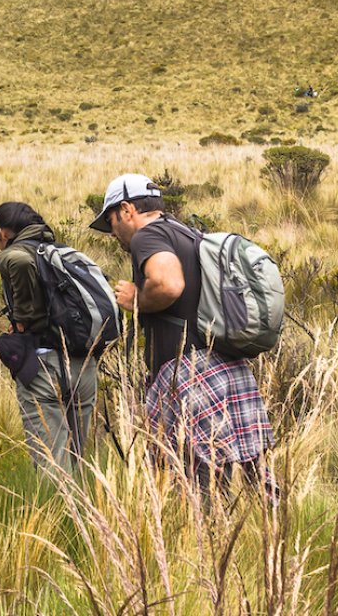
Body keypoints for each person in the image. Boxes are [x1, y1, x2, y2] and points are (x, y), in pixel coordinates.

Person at [90, 173, 274, 495]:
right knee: (251, 469)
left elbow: (169, 284)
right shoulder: (187, 233)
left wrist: (138, 299)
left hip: (188, 372)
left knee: (196, 478)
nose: (113, 233)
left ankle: (204, 541)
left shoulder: (146, 237)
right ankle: (273, 533)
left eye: (111, 221)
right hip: (223, 363)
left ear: (127, 209)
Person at [0, 201, 100, 474]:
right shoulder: (61, 252)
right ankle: (89, 515)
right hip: (82, 363)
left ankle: (57, 516)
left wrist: (22, 323)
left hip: (44, 366)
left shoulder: (13, 254)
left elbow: (18, 261)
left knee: (51, 462)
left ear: (3, 232)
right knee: (79, 459)